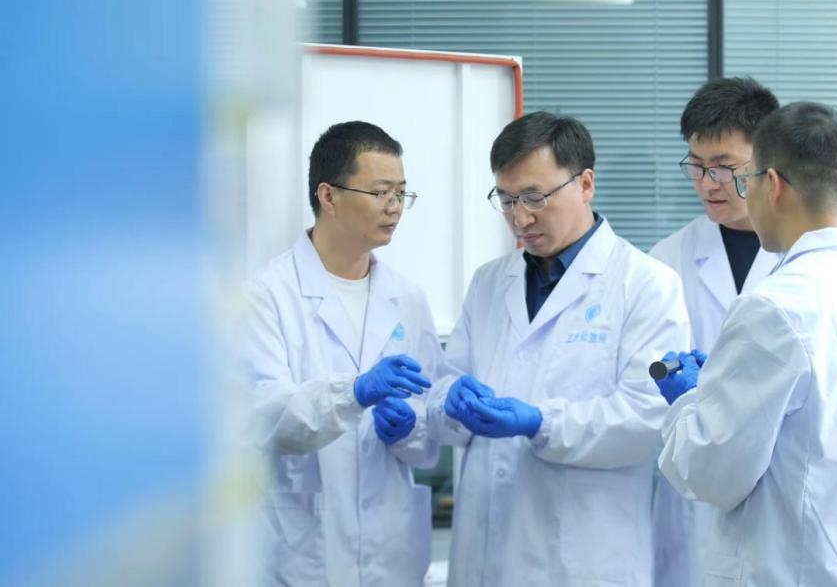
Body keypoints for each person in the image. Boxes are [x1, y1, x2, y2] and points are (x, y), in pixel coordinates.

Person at [657, 102, 837, 586]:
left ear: (771, 184)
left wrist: (690, 402)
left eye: (744, 179)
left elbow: (712, 472)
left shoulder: (775, 308)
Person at [429, 111, 690, 586]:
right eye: (506, 200)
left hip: (583, 560)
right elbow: (447, 381)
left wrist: (540, 422)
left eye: (534, 197)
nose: (520, 218)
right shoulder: (489, 282)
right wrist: (449, 400)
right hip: (485, 557)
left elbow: (644, 417)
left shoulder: (646, 284)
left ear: (585, 184)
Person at [243, 121, 442, 585]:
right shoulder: (266, 296)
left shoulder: (408, 299)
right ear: (328, 196)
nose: (394, 207)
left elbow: (427, 432)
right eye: (380, 192)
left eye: (402, 193)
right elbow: (264, 416)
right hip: (302, 555)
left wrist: (412, 429)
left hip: (390, 558)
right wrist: (353, 392)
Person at [648, 76, 781, 587]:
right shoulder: (667, 260)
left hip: (779, 492)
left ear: (767, 160)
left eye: (724, 167)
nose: (707, 183)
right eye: (697, 166)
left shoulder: (807, 258)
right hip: (694, 496)